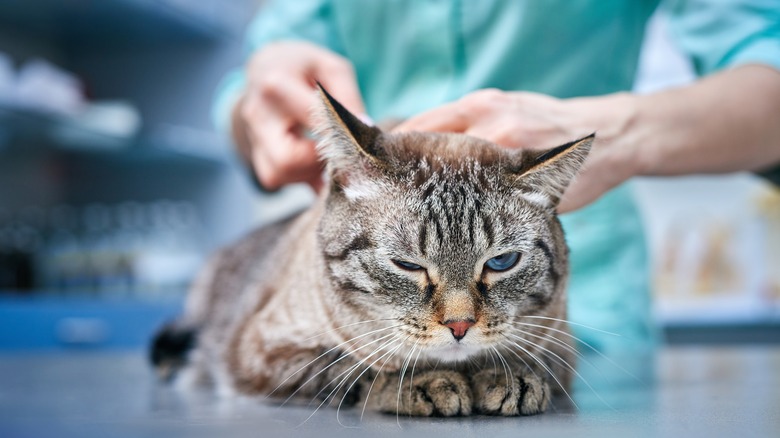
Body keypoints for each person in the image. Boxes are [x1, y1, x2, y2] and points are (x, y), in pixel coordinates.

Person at [212, 0, 780, 353]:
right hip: (369, 296)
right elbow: (254, 88)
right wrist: (259, 105)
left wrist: (617, 133)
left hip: (571, 300)